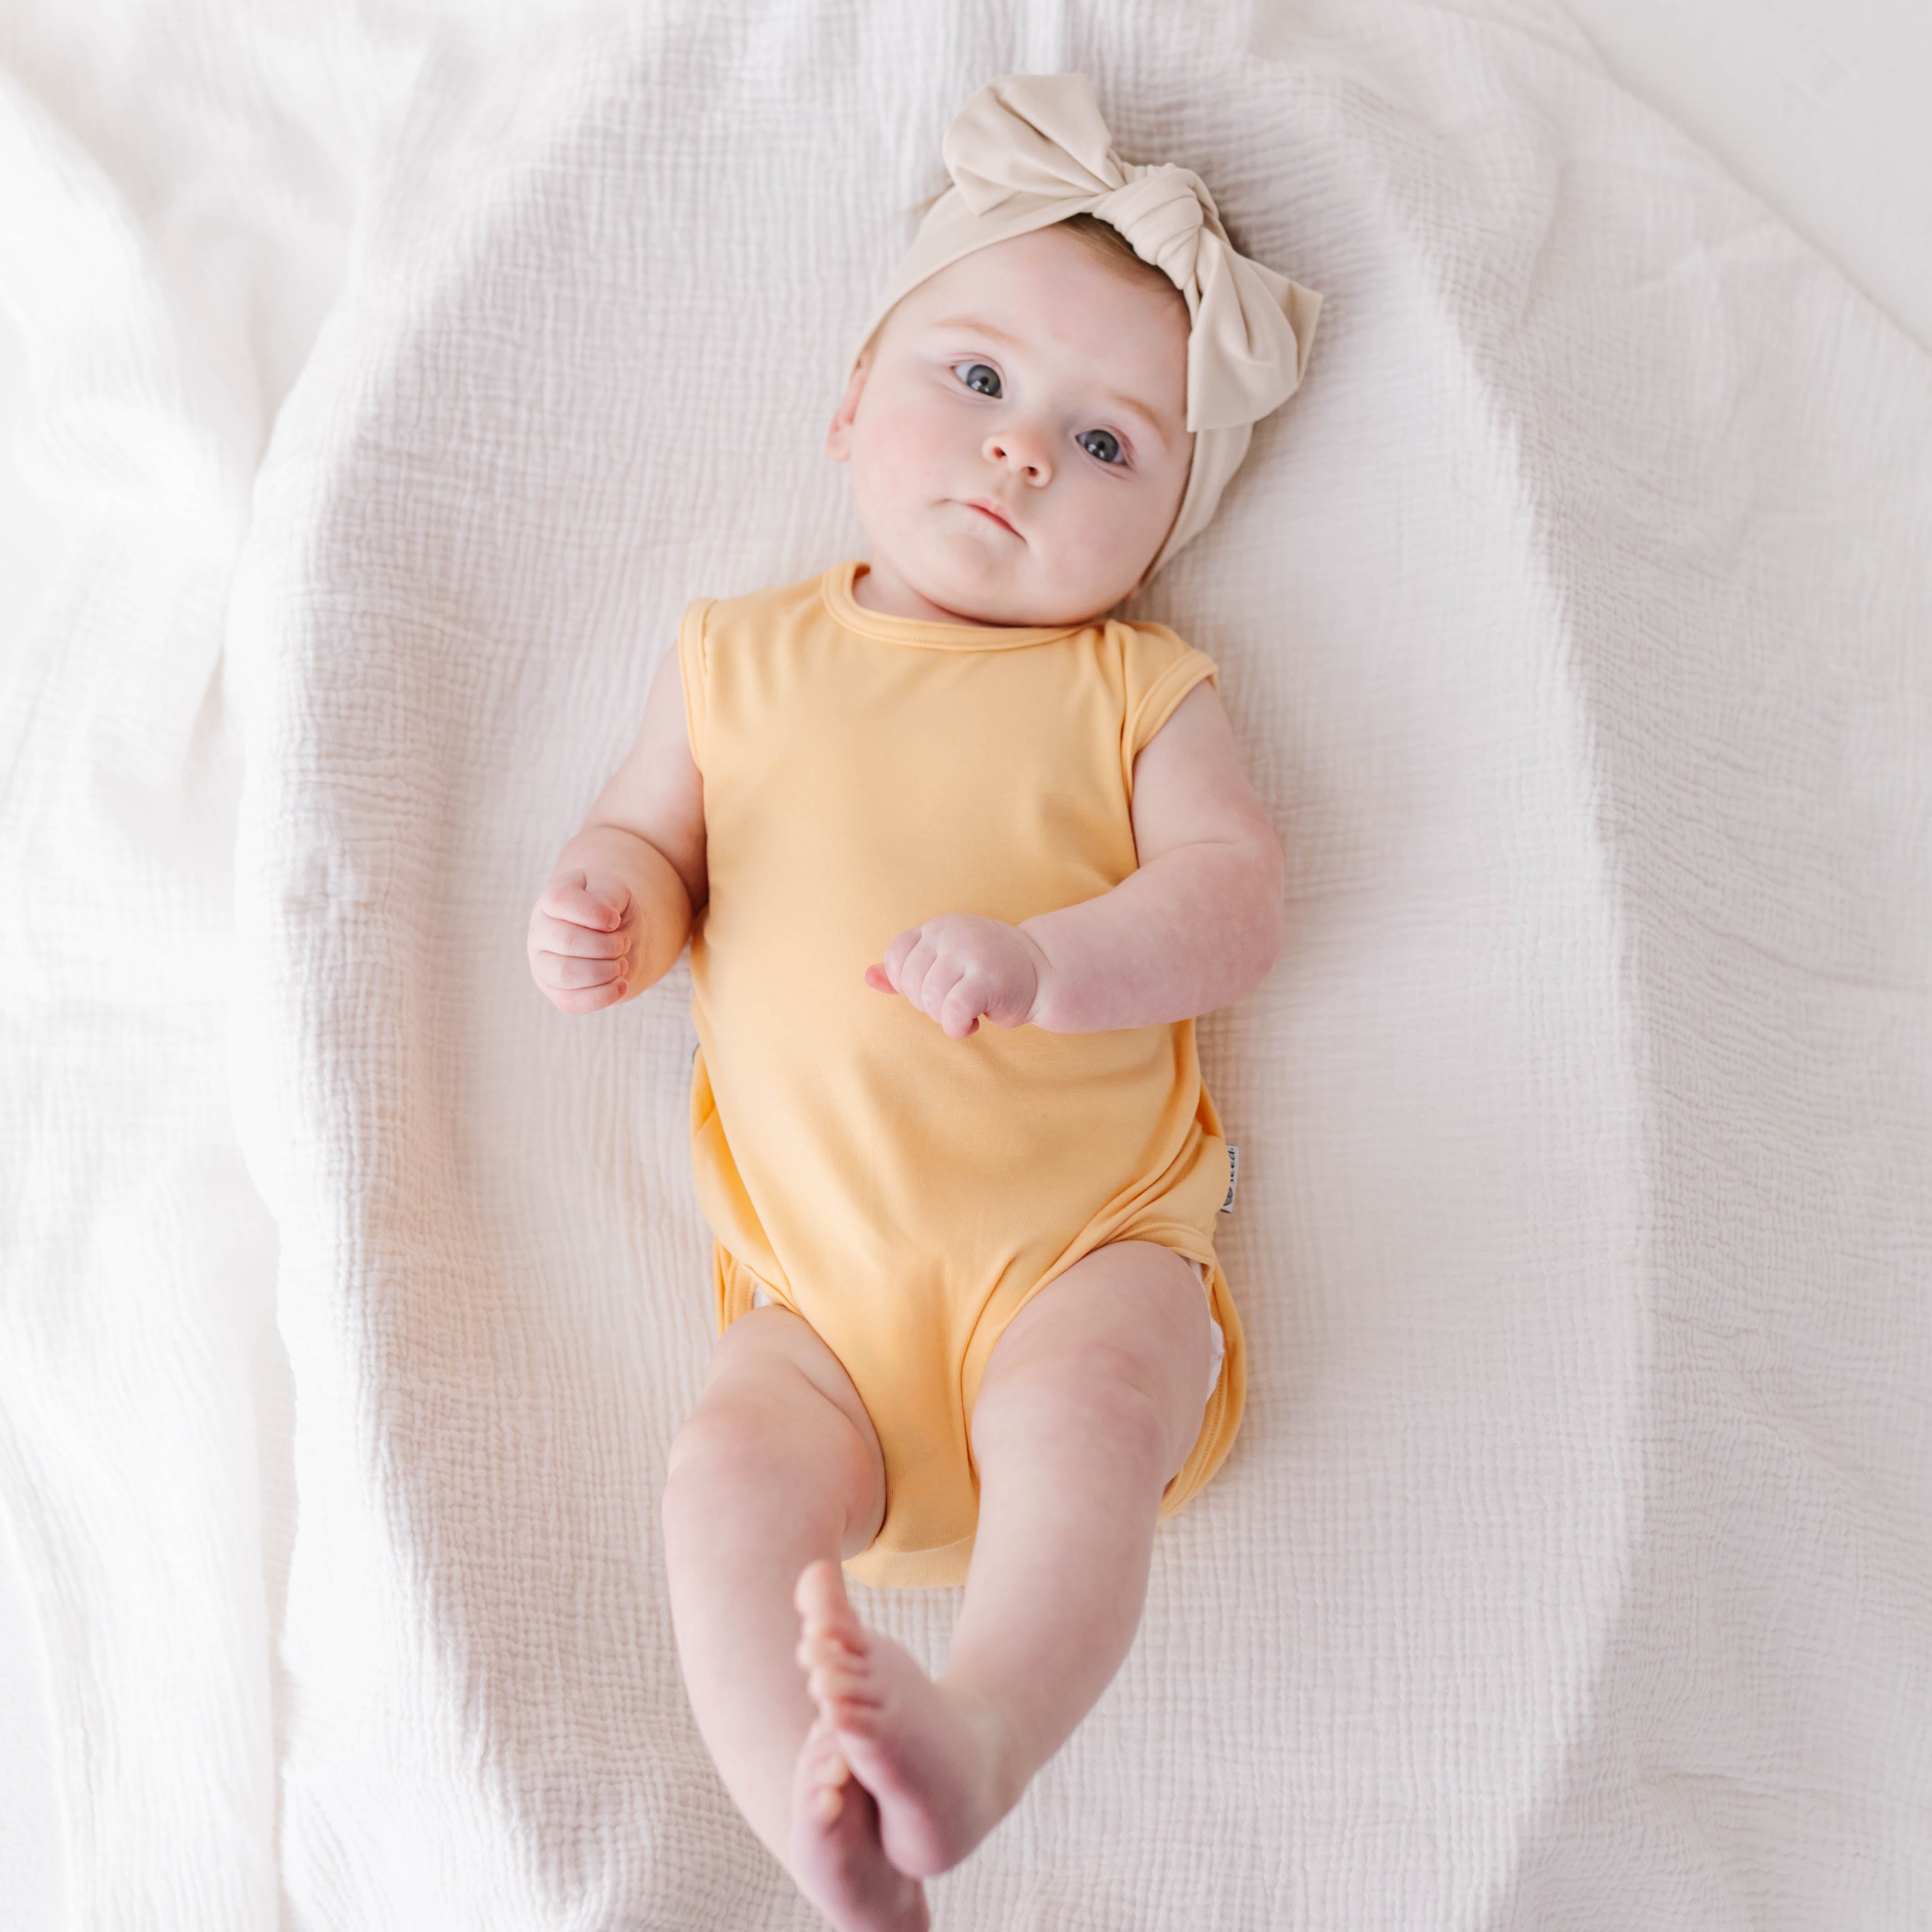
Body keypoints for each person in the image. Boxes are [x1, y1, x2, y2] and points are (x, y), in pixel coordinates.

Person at [525, 73, 1319, 1932]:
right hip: (820, 1311)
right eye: (975, 381)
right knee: (723, 1473)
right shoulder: (737, 659)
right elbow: (648, 839)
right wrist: (612, 910)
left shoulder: (1140, 691)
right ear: (847, 409)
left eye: (1109, 445)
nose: (1024, 452)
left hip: (1080, 1256)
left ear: (1167, 525)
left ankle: (979, 1736)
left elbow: (1237, 906)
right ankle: (812, 1818)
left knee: (1103, 1403)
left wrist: (1056, 966)